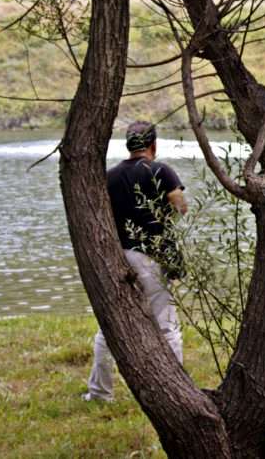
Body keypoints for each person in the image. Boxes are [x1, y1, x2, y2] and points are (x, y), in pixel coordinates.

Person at [83, 121, 188, 402]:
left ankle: (99, 392)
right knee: (166, 326)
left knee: (110, 328)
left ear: (128, 145)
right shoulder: (160, 170)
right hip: (151, 258)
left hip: (120, 258)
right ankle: (177, 394)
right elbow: (181, 206)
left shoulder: (110, 176)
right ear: (153, 144)